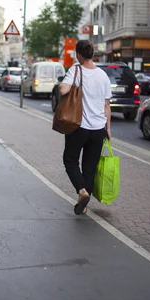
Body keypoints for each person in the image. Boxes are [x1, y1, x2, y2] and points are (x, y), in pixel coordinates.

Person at [59, 40, 112, 216]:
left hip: (78, 126)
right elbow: (107, 106)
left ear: (79, 55)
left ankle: (82, 191)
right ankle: (84, 205)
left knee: (70, 159)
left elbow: (63, 90)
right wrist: (108, 129)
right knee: (90, 166)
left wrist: (64, 84)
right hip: (98, 129)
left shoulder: (76, 70)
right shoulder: (103, 75)